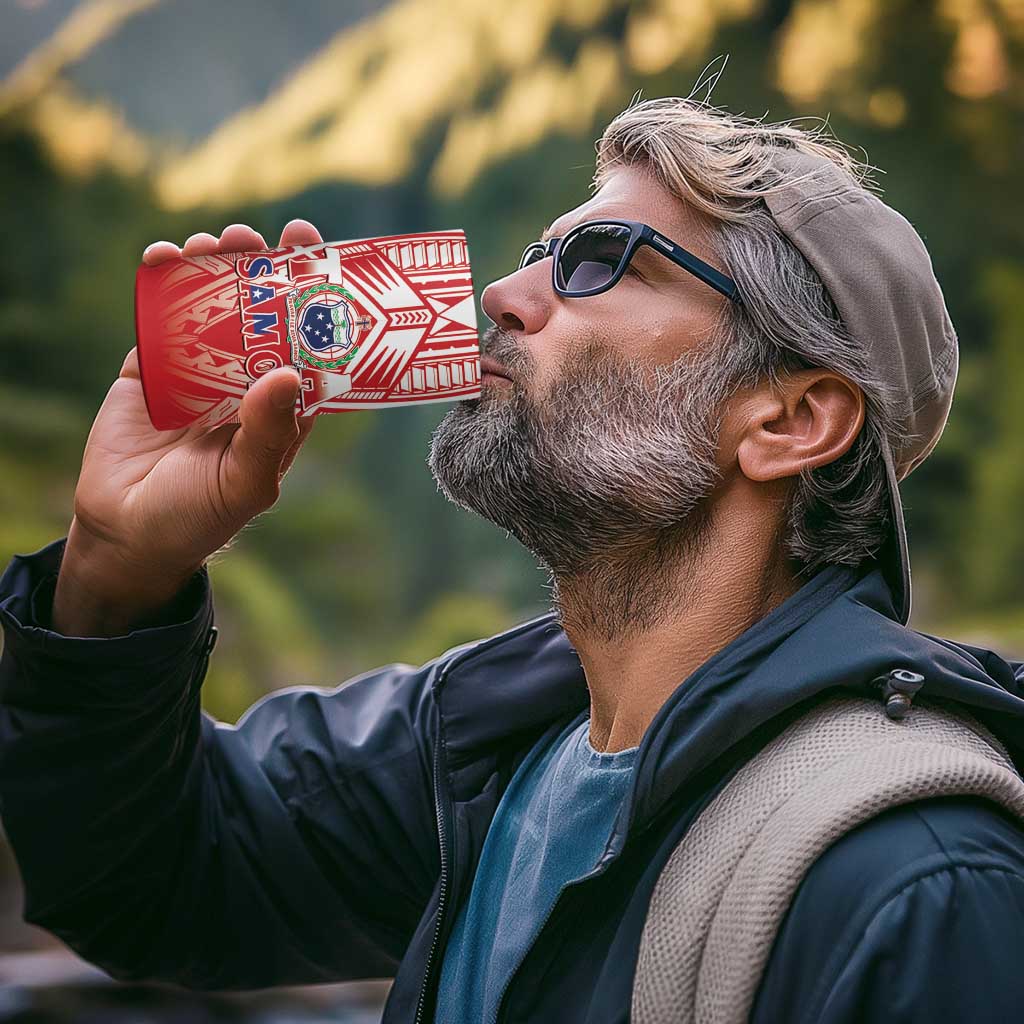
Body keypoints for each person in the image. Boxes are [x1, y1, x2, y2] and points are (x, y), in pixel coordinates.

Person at [2, 96, 1024, 1024]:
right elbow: (149, 879)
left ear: (790, 421)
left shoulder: (919, 887)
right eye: (541, 252)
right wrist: (116, 573)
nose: (501, 292)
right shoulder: (482, 747)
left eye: (601, 260)